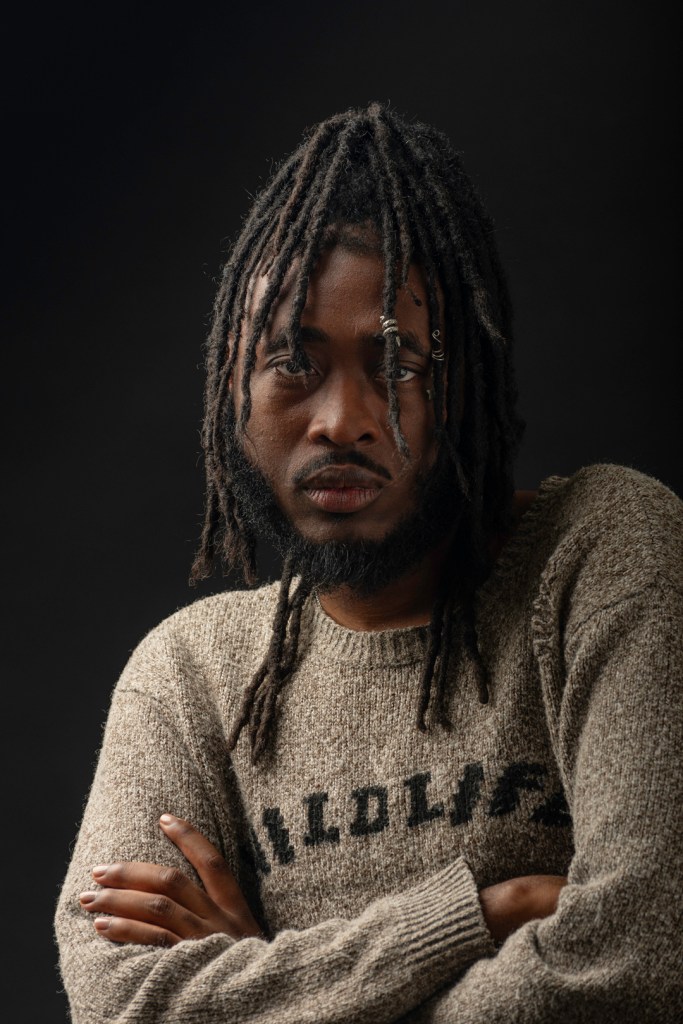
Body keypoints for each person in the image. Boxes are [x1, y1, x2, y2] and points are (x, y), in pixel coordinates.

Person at [55, 102, 682, 1023]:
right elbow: (120, 1004)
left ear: (464, 380)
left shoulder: (602, 550)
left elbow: (641, 953)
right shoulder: (190, 674)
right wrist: (475, 913)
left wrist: (265, 980)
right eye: (292, 363)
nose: (341, 419)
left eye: (397, 367)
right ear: (234, 388)